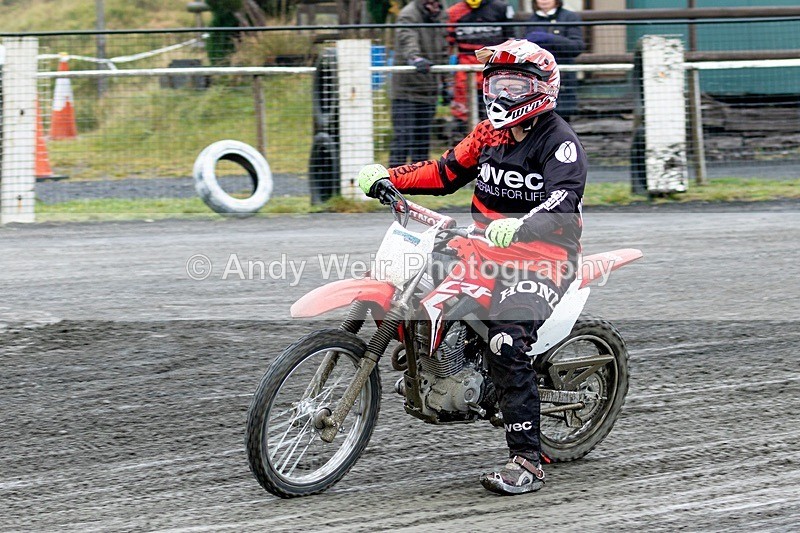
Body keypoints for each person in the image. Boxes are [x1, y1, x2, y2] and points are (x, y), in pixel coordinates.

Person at [358, 38, 587, 496]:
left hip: (543, 259)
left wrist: (522, 226)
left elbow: (564, 198)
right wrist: (389, 175)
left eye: (515, 84)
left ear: (541, 88)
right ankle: (436, 367)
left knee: (506, 337)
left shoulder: (559, 141)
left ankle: (526, 459)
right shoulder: (489, 134)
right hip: (482, 248)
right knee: (418, 289)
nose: (503, 94)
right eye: (497, 83)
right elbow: (444, 172)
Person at [389, 0, 449, 167]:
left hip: (429, 88)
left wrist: (445, 83)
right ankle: (393, 182)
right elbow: (407, 38)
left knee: (422, 140)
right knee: (402, 138)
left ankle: (420, 182)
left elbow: (444, 50)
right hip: (406, 89)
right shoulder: (408, 14)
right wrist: (415, 58)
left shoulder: (442, 14)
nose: (434, 5)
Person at [447, 0, 515, 136]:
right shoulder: (454, 12)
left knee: (496, 113)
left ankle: (498, 146)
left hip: (495, 69)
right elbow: (447, 45)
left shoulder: (501, 8)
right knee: (464, 117)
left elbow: (512, 40)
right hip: (465, 73)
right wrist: (447, 79)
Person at [523, 0, 585, 122]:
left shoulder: (569, 17)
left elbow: (577, 47)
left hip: (563, 78)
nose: (544, 1)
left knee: (562, 121)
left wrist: (549, 39)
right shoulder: (531, 20)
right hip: (537, 78)